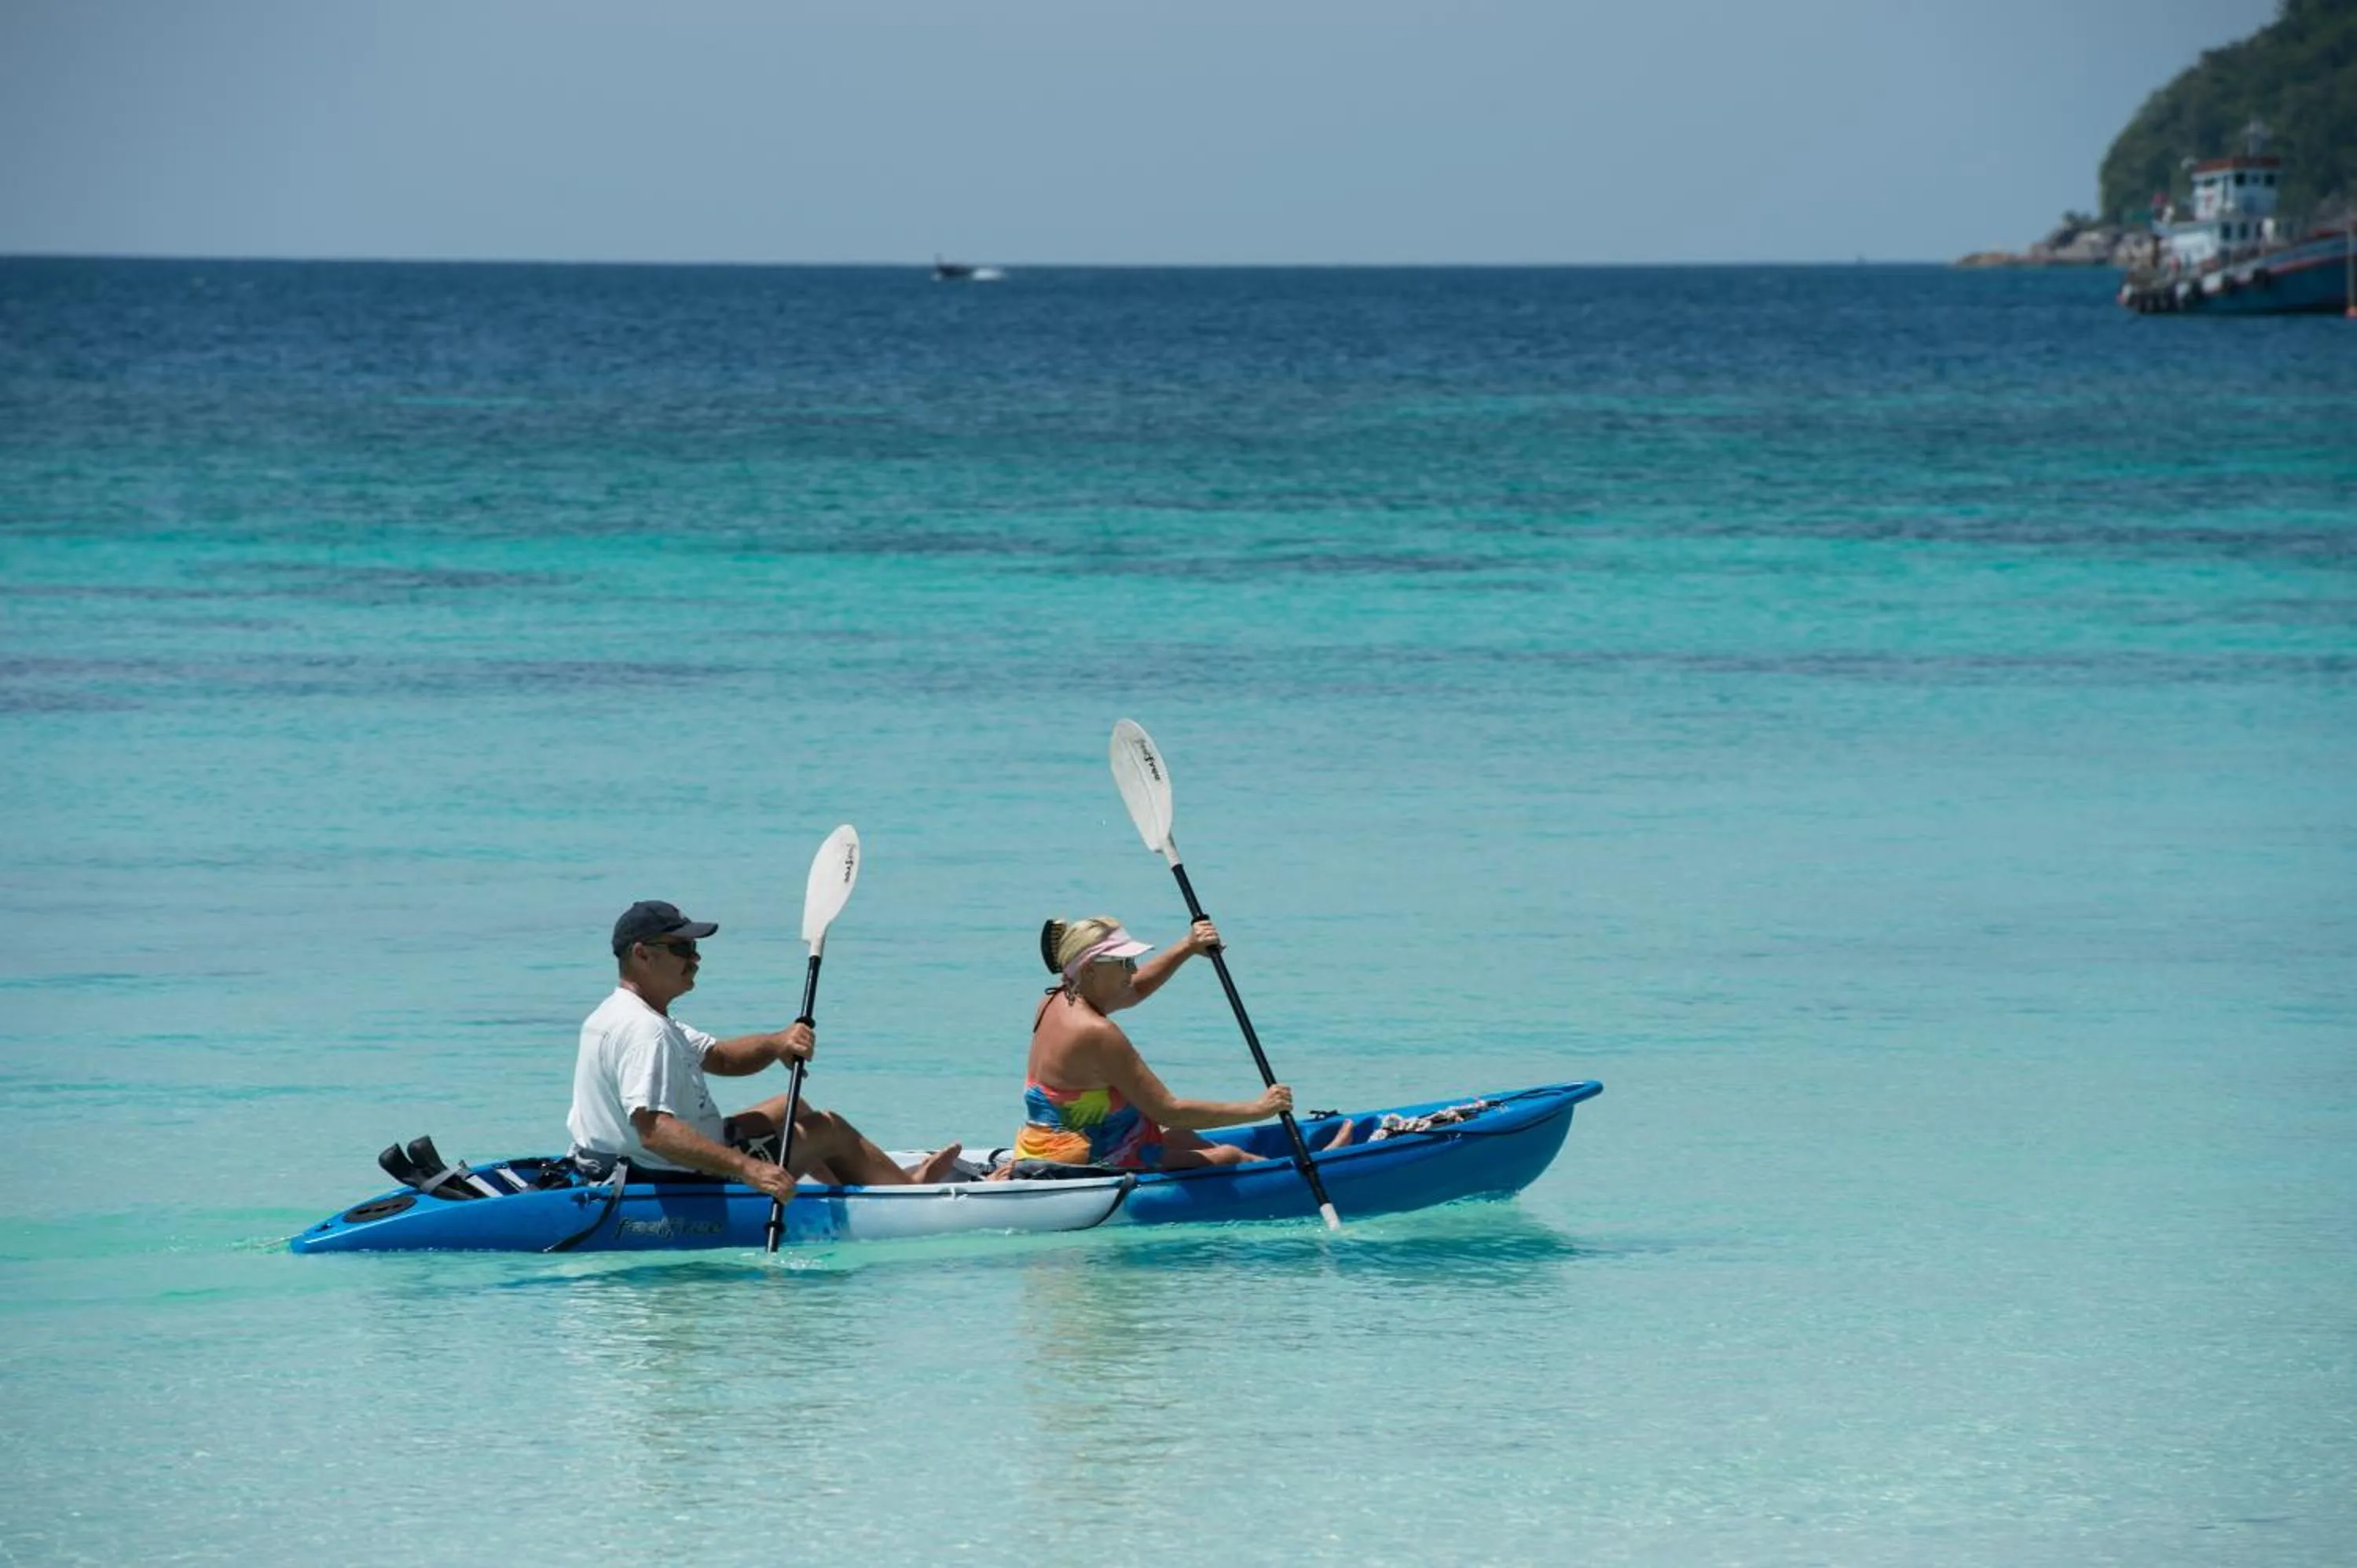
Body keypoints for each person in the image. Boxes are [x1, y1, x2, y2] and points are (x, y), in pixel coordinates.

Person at [569, 899, 961, 1195]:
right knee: (827, 1128)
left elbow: (721, 1056)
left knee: (787, 1107)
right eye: (683, 949)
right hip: (669, 1173)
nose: (696, 958)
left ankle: (852, 1190)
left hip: (622, 1162)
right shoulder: (645, 1031)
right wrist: (746, 1168)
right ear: (642, 954)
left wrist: (778, 1043)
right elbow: (655, 1131)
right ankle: (906, 1194)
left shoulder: (621, 1015)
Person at [1013, 914, 1350, 1171]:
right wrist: (1259, 1109)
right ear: (1088, 970)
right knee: (1226, 1154)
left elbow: (1134, 989)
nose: (1133, 970)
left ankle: (1292, 1164)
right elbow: (1167, 1109)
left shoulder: (1056, 999)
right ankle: (1312, 1172)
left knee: (1182, 1138)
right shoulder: (1097, 1033)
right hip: (1087, 1159)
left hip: (1041, 1144)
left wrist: (1188, 947)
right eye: (1124, 963)